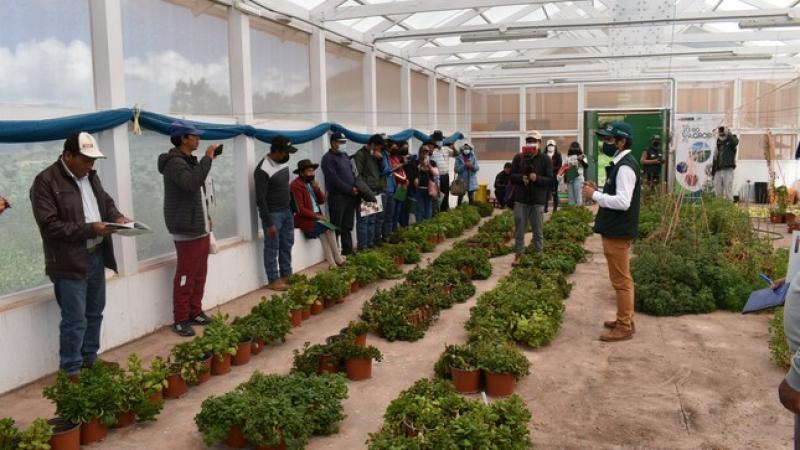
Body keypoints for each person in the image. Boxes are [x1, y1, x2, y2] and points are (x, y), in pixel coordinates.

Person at [31, 131, 130, 377]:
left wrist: (117, 217)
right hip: (68, 261)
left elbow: (104, 202)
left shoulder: (90, 176)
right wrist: (90, 229)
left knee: (95, 311)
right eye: (86, 159)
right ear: (68, 155)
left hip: (95, 254)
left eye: (93, 160)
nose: (90, 165)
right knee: (74, 319)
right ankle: (71, 371)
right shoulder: (45, 182)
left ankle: (89, 359)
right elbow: (50, 226)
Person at [158, 121, 221, 337]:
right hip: (186, 230)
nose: (198, 139)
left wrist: (207, 217)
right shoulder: (175, 163)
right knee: (186, 275)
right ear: (183, 138)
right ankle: (181, 319)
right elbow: (191, 184)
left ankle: (195, 311)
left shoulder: (189, 161)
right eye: (194, 136)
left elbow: (199, 193)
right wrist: (207, 159)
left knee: (199, 274)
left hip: (200, 227)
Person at [581, 121, 641, 343]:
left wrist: (595, 196)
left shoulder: (625, 167)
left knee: (621, 281)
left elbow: (623, 202)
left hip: (618, 231)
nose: (604, 143)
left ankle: (624, 326)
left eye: (608, 139)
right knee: (622, 279)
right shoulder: (621, 164)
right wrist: (597, 191)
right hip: (617, 230)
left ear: (621, 141)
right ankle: (625, 319)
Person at [254, 135, 298, 291]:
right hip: (273, 214)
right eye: (286, 152)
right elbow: (260, 199)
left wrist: (292, 209)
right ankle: (273, 279)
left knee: (287, 244)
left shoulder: (282, 164)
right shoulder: (262, 169)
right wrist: (269, 223)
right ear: (277, 151)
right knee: (272, 247)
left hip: (287, 211)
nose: (288, 156)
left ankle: (287, 274)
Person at [290, 159, 345, 269]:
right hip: (305, 219)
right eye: (309, 171)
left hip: (316, 217)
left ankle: (333, 263)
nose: (312, 173)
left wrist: (317, 188)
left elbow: (322, 200)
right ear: (301, 172)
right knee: (330, 229)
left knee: (324, 234)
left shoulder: (310, 183)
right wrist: (317, 216)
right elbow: (299, 209)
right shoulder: (295, 185)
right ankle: (337, 258)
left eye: (313, 171)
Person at [510, 132, 553, 263]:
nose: (531, 143)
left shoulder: (545, 159)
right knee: (519, 230)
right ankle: (519, 254)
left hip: (537, 200)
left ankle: (539, 255)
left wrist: (537, 178)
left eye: (533, 140)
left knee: (538, 231)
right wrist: (521, 178)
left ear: (539, 142)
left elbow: (550, 180)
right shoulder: (518, 158)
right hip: (521, 199)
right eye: (528, 140)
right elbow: (511, 176)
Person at [321, 132, 359, 256]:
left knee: (347, 225)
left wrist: (356, 186)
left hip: (350, 196)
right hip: (337, 197)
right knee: (336, 226)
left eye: (344, 142)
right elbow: (333, 179)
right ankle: (336, 254)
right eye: (340, 142)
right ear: (333, 143)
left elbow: (352, 173)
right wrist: (349, 189)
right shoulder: (327, 158)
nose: (343, 144)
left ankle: (348, 251)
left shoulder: (345, 155)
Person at [354, 134, 386, 250]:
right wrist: (365, 190)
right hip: (367, 191)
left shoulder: (375, 155)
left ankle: (370, 243)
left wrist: (380, 159)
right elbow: (358, 175)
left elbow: (383, 170)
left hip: (375, 189)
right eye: (377, 148)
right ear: (372, 145)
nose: (378, 150)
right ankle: (363, 246)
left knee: (373, 220)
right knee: (364, 220)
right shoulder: (361, 154)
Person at [409, 144, 438, 222]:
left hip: (429, 190)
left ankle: (427, 225)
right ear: (420, 153)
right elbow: (412, 176)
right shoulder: (415, 163)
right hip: (419, 189)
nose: (425, 154)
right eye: (423, 152)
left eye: (427, 152)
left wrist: (428, 165)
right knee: (419, 209)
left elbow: (436, 173)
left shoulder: (432, 162)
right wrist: (419, 167)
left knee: (428, 208)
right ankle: (419, 224)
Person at [712, 126, 738, 200]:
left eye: (722, 130)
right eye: (720, 130)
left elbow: (735, 142)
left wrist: (728, 133)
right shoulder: (718, 142)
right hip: (718, 170)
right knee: (717, 191)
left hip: (728, 169)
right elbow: (715, 158)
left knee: (728, 190)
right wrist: (713, 173)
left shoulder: (732, 139)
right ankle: (719, 208)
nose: (721, 131)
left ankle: (730, 209)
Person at [430, 130, 453, 214]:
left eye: (441, 140)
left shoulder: (446, 149)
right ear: (434, 141)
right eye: (438, 140)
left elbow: (456, 154)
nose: (439, 142)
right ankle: (437, 212)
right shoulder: (432, 151)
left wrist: (453, 146)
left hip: (445, 175)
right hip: (437, 177)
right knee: (438, 195)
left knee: (446, 194)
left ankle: (444, 210)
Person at [390, 142, 409, 231]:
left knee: (397, 211)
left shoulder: (396, 158)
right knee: (391, 213)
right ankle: (390, 231)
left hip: (399, 188)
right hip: (392, 188)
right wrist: (402, 164)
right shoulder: (389, 158)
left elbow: (401, 171)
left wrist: (405, 181)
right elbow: (391, 170)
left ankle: (394, 230)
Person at [565, 141, 588, 206]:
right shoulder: (568, 156)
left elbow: (586, 166)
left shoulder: (583, 156)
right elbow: (565, 167)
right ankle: (572, 213)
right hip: (569, 177)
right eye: (573, 148)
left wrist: (581, 160)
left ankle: (579, 212)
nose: (574, 150)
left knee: (578, 195)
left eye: (576, 148)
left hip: (578, 177)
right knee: (570, 196)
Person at [544, 139, 562, 213]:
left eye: (552, 145)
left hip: (554, 177)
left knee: (554, 193)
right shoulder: (544, 155)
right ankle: (545, 208)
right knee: (545, 192)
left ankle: (555, 208)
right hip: (545, 177)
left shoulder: (558, 155)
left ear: (555, 146)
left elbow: (559, 165)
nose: (550, 147)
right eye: (549, 145)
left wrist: (551, 169)